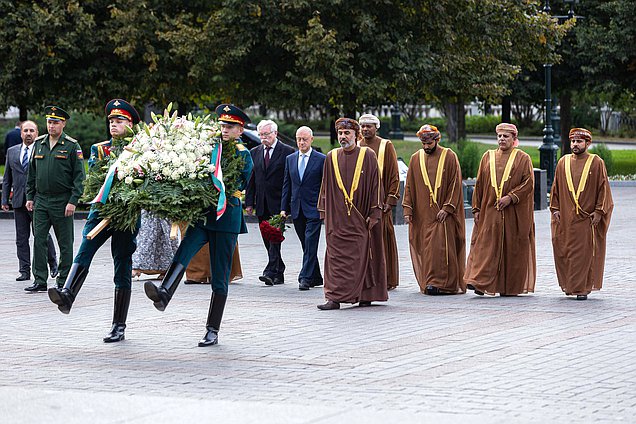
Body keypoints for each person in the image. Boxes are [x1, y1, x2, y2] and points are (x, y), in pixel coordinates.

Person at [144, 104, 253, 347]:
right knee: (185, 250)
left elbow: (236, 184)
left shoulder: (243, 154)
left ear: (240, 130)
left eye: (230, 126)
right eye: (222, 125)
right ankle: (164, 293)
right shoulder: (209, 148)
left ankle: (212, 329)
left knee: (220, 274)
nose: (224, 130)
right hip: (204, 216)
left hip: (226, 218)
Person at [48, 99, 141, 343]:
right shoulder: (100, 149)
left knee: (122, 265)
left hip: (126, 215)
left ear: (130, 124)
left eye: (119, 121)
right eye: (111, 121)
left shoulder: (142, 149)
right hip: (100, 211)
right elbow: (95, 181)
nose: (113, 124)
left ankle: (118, 326)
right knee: (84, 250)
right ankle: (67, 293)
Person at [317, 117, 387, 310]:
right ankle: (334, 298)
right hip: (338, 221)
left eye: (347, 133)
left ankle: (365, 294)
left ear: (356, 136)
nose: (343, 136)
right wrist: (324, 212)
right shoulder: (331, 157)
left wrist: (375, 213)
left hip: (361, 218)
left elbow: (375, 186)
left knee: (364, 255)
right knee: (335, 258)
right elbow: (325, 188)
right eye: (340, 133)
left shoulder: (368, 155)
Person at [464, 123, 535, 297]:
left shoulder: (523, 158)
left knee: (511, 249)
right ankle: (479, 282)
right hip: (490, 211)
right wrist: (476, 209)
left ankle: (508, 287)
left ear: (514, 139)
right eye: (499, 136)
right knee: (485, 246)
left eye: (506, 137)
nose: (502, 139)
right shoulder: (487, 157)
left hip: (513, 214)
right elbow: (479, 184)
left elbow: (528, 183)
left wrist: (510, 197)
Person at [24, 106, 85, 293]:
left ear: (63, 124)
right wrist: (30, 197)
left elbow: (79, 177)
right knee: (39, 240)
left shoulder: (72, 146)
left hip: (63, 201)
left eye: (55, 122)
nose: (51, 126)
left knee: (65, 242)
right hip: (41, 200)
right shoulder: (39, 143)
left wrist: (73, 201)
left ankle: (63, 280)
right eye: (49, 122)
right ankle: (40, 280)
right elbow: (32, 174)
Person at [550, 128, 613, 300]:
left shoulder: (596, 162)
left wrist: (599, 211)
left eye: (579, 141)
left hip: (586, 219)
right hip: (566, 218)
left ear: (587, 143)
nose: (575, 145)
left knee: (583, 255)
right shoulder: (563, 162)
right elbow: (555, 188)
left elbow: (603, 189)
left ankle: (582, 288)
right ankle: (570, 286)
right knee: (566, 251)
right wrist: (555, 208)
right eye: (573, 142)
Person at [402, 124, 466, 295]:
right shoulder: (416, 158)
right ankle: (430, 281)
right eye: (423, 144)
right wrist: (408, 209)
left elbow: (455, 183)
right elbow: (409, 186)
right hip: (423, 212)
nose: (426, 147)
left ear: (437, 140)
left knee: (441, 247)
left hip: (443, 213)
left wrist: (448, 207)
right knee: (427, 248)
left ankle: (443, 283)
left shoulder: (449, 156)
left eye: (429, 144)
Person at [2, 121, 58, 282]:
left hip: (38, 201)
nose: (28, 133)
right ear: (21, 133)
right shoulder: (12, 152)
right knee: (21, 238)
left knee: (42, 235)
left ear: (37, 133)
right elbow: (7, 178)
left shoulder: (43, 150)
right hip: (19, 201)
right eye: (25, 130)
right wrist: (5, 199)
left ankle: (52, 263)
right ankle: (24, 271)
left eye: (31, 131)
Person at [245, 119, 294, 286]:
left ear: (275, 133)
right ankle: (279, 271)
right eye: (261, 135)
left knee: (274, 236)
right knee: (267, 237)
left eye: (266, 134)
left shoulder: (287, 151)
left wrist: (287, 205)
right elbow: (251, 179)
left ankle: (270, 271)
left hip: (279, 203)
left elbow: (290, 180)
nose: (263, 138)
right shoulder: (255, 152)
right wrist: (249, 202)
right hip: (261, 202)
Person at [280, 126, 326, 290]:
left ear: (311, 139)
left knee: (310, 242)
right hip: (296, 208)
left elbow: (325, 185)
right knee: (306, 245)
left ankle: (305, 278)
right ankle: (316, 277)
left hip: (314, 209)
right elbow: (287, 184)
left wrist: (325, 206)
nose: (301, 142)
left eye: (305, 139)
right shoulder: (290, 159)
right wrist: (283, 208)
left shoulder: (321, 159)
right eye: (299, 139)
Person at [359, 113, 400, 290]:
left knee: (382, 240)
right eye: (363, 126)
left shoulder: (385, 145)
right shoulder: (357, 145)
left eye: (369, 126)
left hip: (381, 204)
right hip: (361, 205)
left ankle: (386, 279)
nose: (366, 129)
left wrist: (390, 201)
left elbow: (393, 175)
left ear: (376, 128)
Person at [132, 211, 180, 279]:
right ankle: (137, 266)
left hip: (165, 210)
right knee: (145, 236)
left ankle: (166, 270)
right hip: (147, 208)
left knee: (165, 238)